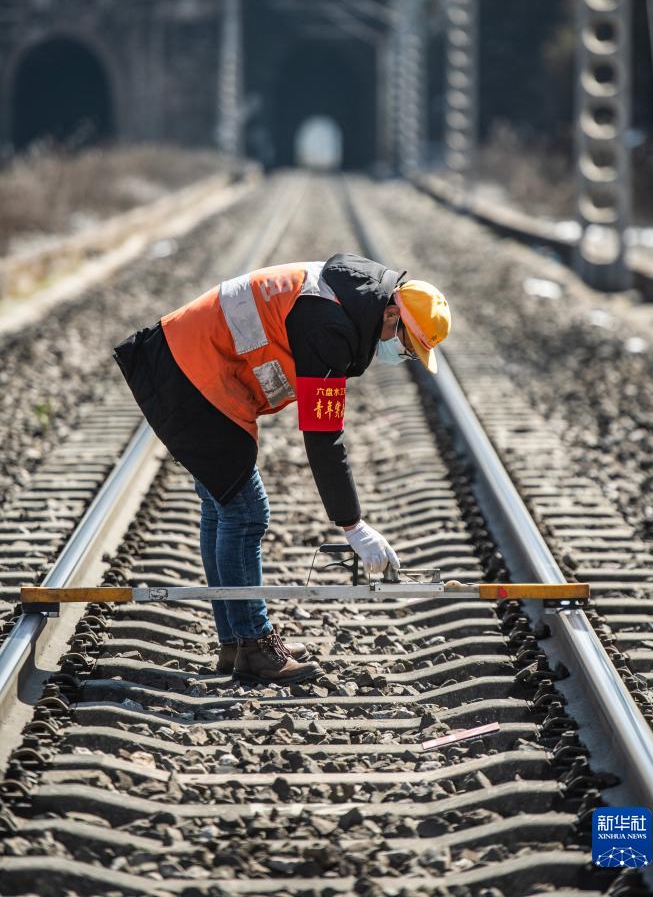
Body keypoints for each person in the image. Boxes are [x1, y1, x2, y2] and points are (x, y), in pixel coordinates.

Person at [113, 254, 450, 685]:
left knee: (223, 508)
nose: (400, 355)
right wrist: (353, 526)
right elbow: (324, 435)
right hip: (195, 374)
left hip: (192, 359)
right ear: (390, 312)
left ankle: (235, 641)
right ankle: (254, 645)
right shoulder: (333, 326)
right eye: (404, 345)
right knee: (247, 512)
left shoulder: (353, 295)